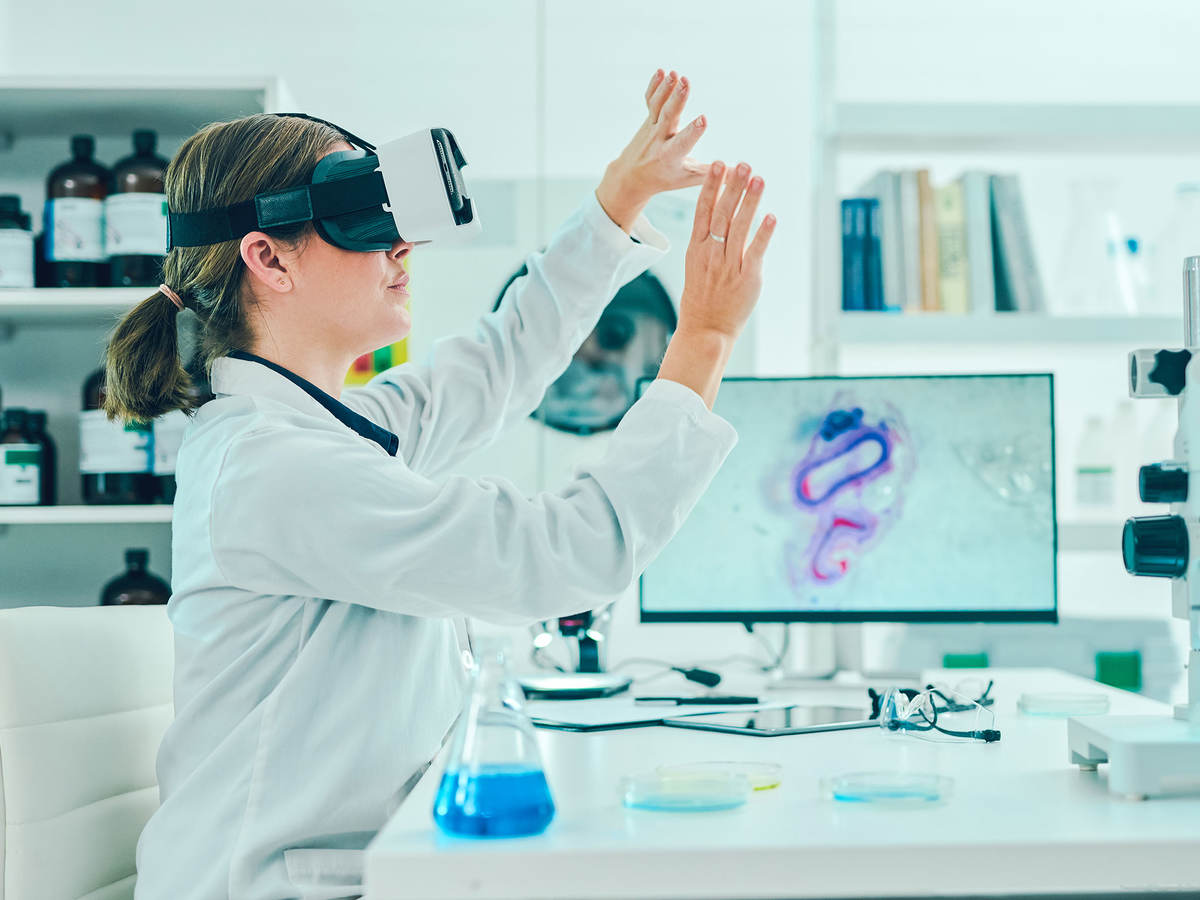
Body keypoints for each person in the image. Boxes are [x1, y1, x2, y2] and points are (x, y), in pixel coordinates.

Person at [107, 69, 774, 900]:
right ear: (267, 257)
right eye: (361, 221)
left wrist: (617, 203)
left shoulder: (316, 431)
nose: (401, 246)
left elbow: (497, 364)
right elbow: (562, 555)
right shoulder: (274, 469)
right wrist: (704, 337)